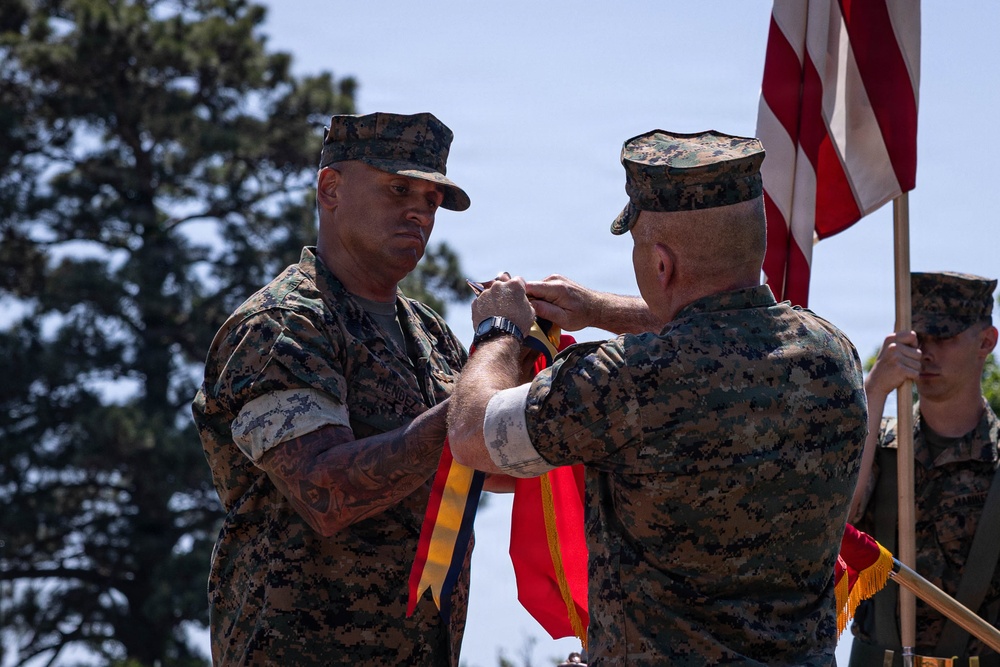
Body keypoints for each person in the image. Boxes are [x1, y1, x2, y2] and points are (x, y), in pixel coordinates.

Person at [446, 129, 869, 666]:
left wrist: (498, 329)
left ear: (661, 264)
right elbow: (730, 323)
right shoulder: (832, 356)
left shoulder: (629, 380)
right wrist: (594, 307)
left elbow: (473, 434)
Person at [192, 112, 475, 666]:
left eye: (432, 199)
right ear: (331, 189)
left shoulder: (430, 333)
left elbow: (492, 469)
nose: (419, 210)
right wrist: (474, 401)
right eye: (398, 188)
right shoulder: (284, 323)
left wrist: (527, 363)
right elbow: (326, 495)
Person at [848, 272, 999, 667]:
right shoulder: (877, 445)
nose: (926, 352)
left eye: (943, 338)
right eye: (918, 338)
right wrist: (874, 390)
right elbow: (838, 515)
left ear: (986, 342)